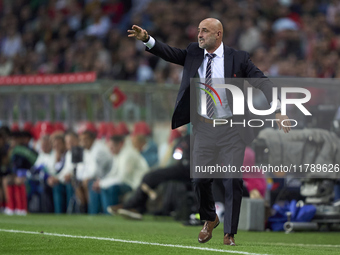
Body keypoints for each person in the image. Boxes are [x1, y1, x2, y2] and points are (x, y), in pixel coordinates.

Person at [128, 18, 291, 246]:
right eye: (198, 30)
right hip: (204, 127)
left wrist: (278, 109)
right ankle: (210, 218)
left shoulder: (238, 58)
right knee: (199, 179)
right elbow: (171, 54)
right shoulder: (195, 52)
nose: (199, 34)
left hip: (232, 129)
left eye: (205, 31)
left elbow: (263, 82)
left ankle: (229, 233)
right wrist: (148, 40)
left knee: (232, 180)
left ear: (219, 34)